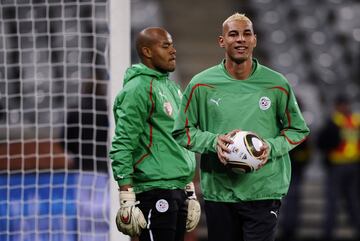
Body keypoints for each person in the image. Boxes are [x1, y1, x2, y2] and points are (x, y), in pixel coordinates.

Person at [172, 13, 310, 241]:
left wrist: (270, 146)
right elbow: (182, 131)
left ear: (255, 40)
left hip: (264, 190)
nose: (240, 39)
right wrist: (213, 141)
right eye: (233, 34)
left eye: (247, 34)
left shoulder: (277, 84)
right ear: (222, 41)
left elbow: (298, 130)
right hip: (220, 192)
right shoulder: (201, 84)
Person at [109, 27, 201, 241]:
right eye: (166, 46)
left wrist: (189, 190)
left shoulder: (173, 88)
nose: (173, 51)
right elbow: (123, 143)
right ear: (147, 52)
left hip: (176, 190)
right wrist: (126, 197)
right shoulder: (137, 89)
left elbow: (179, 141)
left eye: (173, 45)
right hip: (154, 190)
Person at [318, 95, 360, 241]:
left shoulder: (352, 121)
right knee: (335, 201)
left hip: (351, 166)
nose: (344, 108)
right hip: (338, 166)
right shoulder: (335, 121)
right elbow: (322, 142)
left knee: (351, 200)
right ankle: (328, 232)